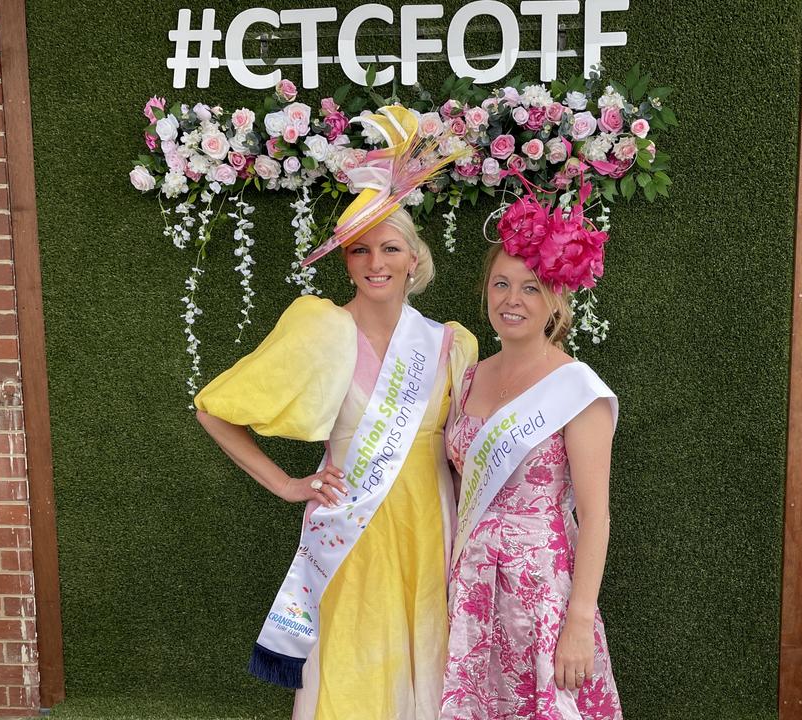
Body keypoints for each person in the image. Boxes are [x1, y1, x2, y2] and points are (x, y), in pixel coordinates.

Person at [194, 106, 475, 720]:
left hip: (433, 529)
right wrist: (289, 484)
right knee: (351, 665)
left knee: (429, 660)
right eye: (359, 250)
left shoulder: (453, 346)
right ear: (345, 261)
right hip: (351, 527)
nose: (375, 262)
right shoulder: (320, 330)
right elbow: (215, 410)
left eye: (390, 247)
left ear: (412, 259)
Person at [441, 174, 622, 719]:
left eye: (530, 287)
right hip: (470, 584)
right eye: (501, 284)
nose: (512, 300)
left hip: (542, 592)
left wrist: (579, 621)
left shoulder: (578, 389)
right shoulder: (468, 378)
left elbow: (596, 518)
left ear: (556, 299)